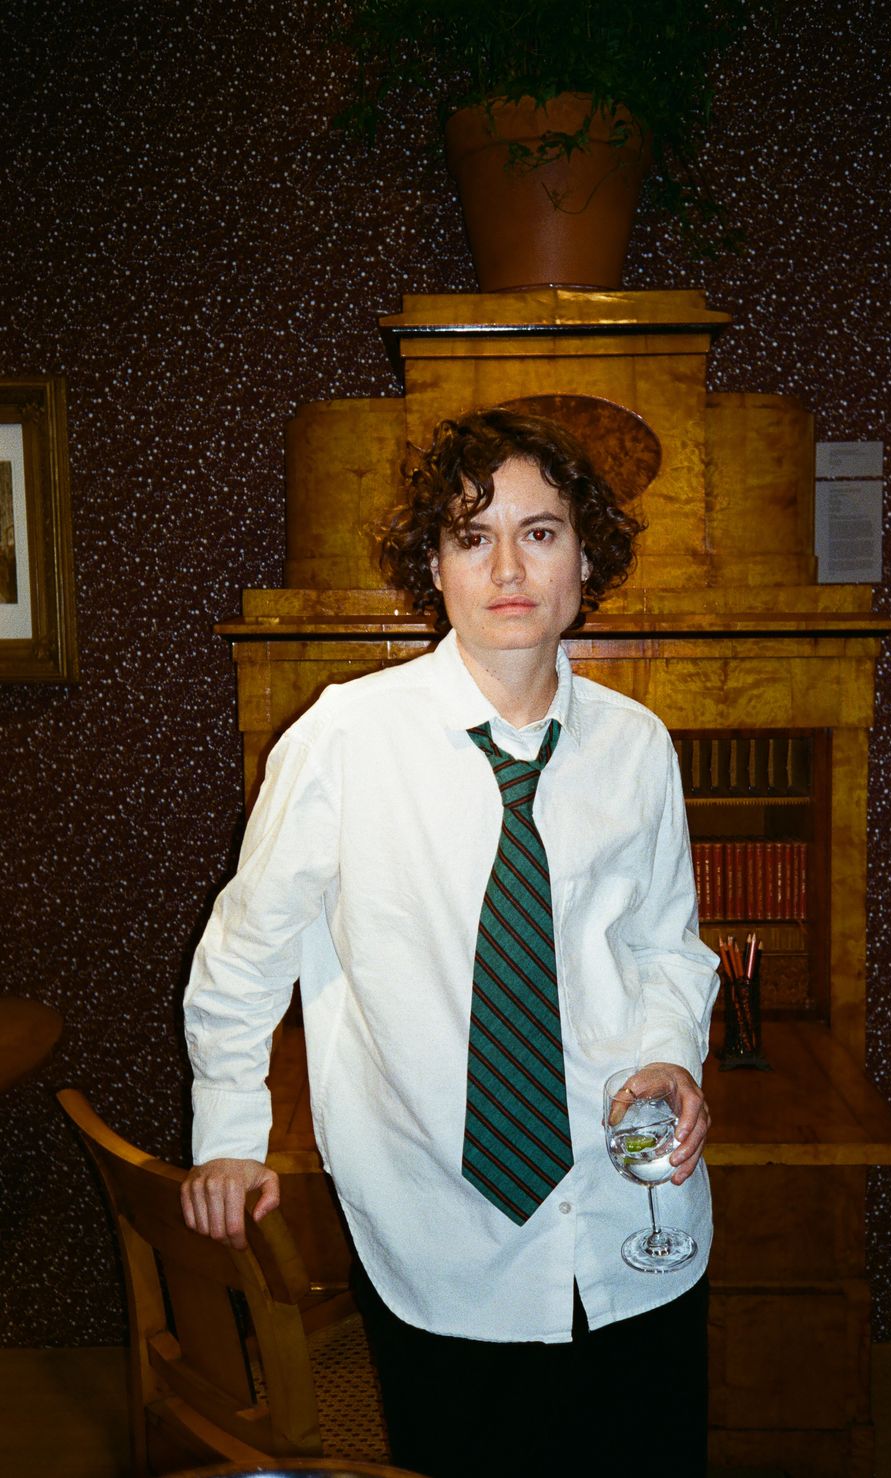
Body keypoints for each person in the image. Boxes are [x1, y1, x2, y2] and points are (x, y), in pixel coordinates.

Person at [181, 407, 720, 1478]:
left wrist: (671, 1053)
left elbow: (668, 944)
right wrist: (230, 1131)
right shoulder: (344, 737)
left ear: (585, 560)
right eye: (473, 536)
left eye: (540, 532)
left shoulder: (636, 745)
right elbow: (246, 949)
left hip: (635, 1210)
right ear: (434, 566)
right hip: (439, 1226)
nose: (508, 568)